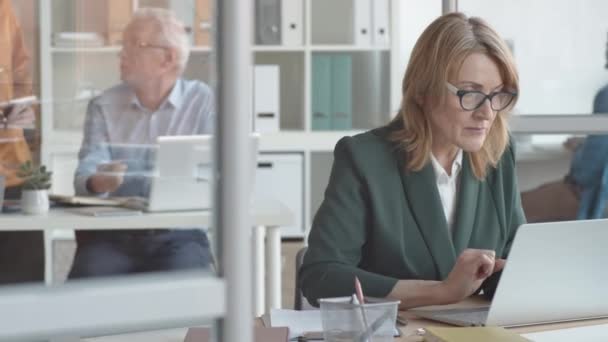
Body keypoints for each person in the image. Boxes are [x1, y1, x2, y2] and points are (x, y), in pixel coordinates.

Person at [299, 12, 524, 309]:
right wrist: (441, 292)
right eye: (470, 94)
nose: (487, 113)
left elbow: (514, 262)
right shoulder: (364, 158)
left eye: (497, 95)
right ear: (422, 92)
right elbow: (322, 276)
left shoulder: (498, 153)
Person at [68, 8, 214, 279]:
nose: (121, 54)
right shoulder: (103, 105)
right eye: (122, 45)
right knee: (84, 292)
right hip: (112, 236)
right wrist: (98, 182)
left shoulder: (204, 103)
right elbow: (85, 177)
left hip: (180, 234)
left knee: (192, 295)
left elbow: (214, 178)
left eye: (133, 45)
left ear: (167, 58)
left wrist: (130, 175)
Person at [521, 33, 608, 221]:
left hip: (588, 200)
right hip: (592, 199)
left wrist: (579, 149)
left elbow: (588, 169)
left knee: (513, 208)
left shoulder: (606, 96)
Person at [0, 0, 42, 284]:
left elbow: (20, 72)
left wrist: (26, 119)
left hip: (12, 164)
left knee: (23, 279)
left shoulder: (3, 9)